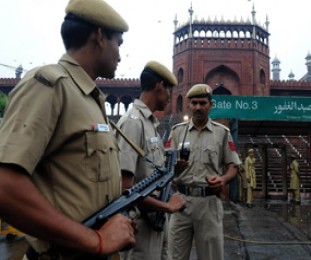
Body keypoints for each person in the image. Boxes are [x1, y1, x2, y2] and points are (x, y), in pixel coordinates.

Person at [0, 0, 136, 259]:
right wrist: (95, 240)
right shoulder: (50, 86)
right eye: (118, 43)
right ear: (98, 36)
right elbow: (5, 188)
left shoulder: (89, 99)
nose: (120, 54)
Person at [117, 61, 186, 260]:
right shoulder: (133, 123)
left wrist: (174, 170)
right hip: (139, 225)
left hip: (156, 221)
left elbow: (150, 174)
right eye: (169, 92)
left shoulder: (150, 124)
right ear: (159, 87)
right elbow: (125, 189)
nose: (169, 98)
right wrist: (167, 206)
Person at [166, 83, 240, 260]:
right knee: (175, 256)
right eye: (194, 103)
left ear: (210, 105)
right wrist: (174, 169)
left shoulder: (222, 133)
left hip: (209, 203)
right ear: (189, 105)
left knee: (211, 257)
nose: (198, 107)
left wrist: (223, 179)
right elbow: (165, 166)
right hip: (180, 202)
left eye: (202, 103)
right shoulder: (177, 132)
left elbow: (234, 165)